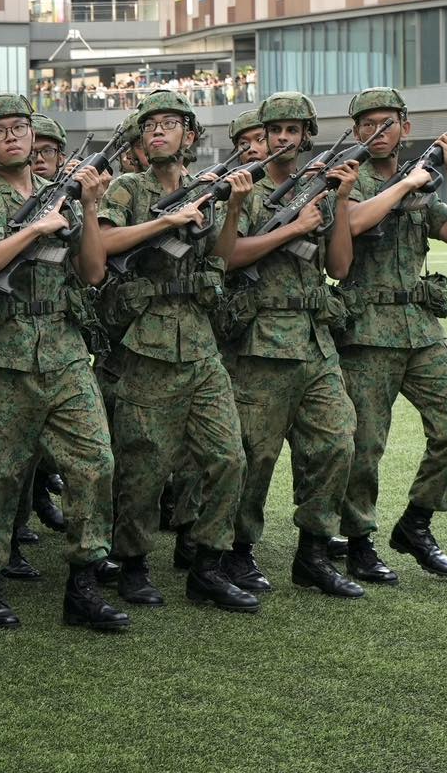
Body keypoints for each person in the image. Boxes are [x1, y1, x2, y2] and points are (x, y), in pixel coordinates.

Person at [0, 95, 129, 632]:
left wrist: (90, 209)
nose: (11, 137)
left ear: (33, 136)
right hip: (3, 358)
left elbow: (93, 272)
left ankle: (84, 584)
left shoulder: (65, 197)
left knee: (95, 463)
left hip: (65, 350)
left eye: (19, 128)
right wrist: (33, 229)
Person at [97, 90, 260, 613]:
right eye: (150, 126)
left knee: (229, 457)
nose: (158, 133)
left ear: (189, 135)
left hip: (200, 339)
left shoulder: (205, 187)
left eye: (169, 124)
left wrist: (233, 208)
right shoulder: (127, 188)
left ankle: (207, 565)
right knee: (143, 466)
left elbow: (222, 259)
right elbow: (103, 245)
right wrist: (167, 221)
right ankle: (133, 563)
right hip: (147, 343)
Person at [220, 93, 364, 598]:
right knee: (255, 455)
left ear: (306, 136)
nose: (283, 138)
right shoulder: (245, 189)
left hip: (314, 340)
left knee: (336, 442)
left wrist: (340, 201)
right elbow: (227, 257)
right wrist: (293, 229)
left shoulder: (318, 188)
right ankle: (238, 551)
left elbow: (339, 266)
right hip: (261, 342)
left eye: (293, 130)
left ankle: (314, 553)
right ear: (262, 135)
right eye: (275, 130)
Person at [337, 87, 447, 581]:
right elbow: (353, 223)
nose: (377, 131)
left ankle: (416, 523)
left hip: (420, 327)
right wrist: (405, 185)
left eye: (387, 122)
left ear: (405, 129)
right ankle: (358, 540)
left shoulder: (420, 179)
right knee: (365, 444)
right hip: (366, 330)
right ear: (355, 132)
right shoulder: (347, 179)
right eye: (367, 124)